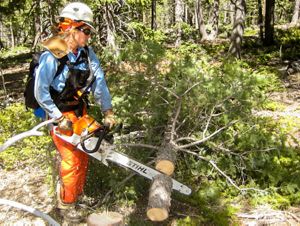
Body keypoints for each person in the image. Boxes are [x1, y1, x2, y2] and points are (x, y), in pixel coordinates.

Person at [33, 2, 116, 222]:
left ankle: (76, 196)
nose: (88, 36)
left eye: (89, 31)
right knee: (71, 161)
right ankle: (66, 207)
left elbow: (100, 83)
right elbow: (40, 91)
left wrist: (107, 110)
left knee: (87, 153)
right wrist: (57, 117)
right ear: (71, 28)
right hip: (59, 115)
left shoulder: (87, 54)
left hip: (79, 112)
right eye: (86, 31)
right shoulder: (53, 53)